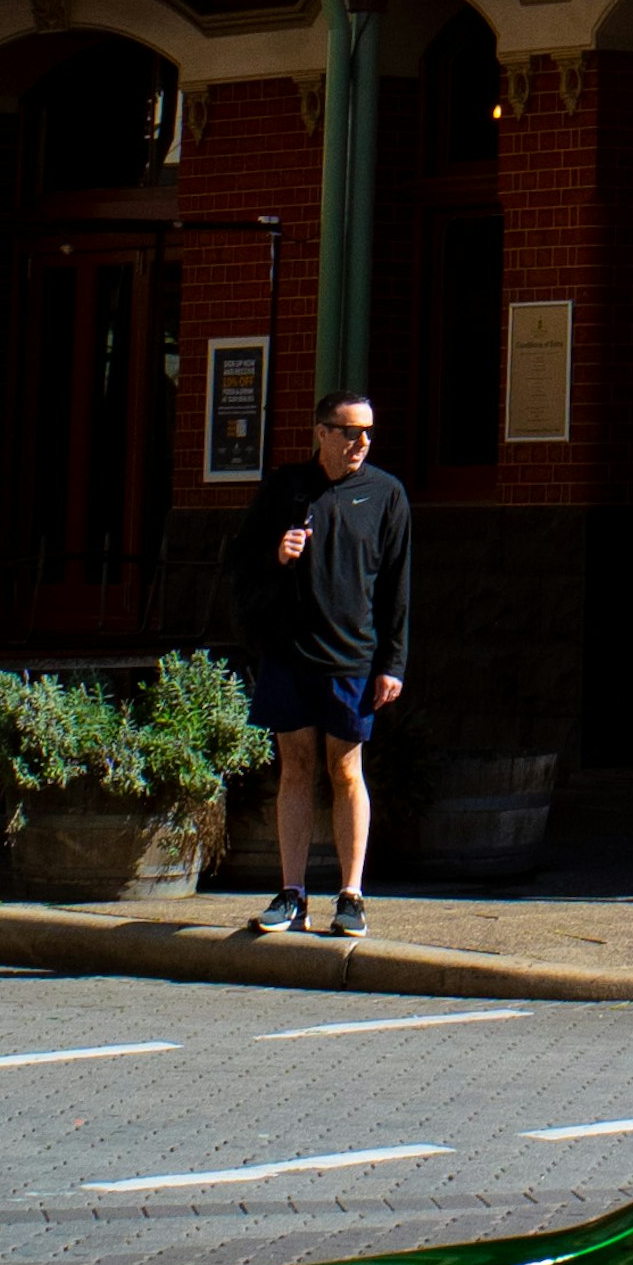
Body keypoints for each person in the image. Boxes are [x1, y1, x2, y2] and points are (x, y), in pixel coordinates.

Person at [230, 395, 412, 938]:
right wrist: (277, 554)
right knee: (296, 768)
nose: (361, 443)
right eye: (350, 432)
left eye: (369, 433)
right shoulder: (287, 488)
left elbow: (397, 587)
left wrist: (393, 663)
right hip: (289, 654)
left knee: (346, 770)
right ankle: (292, 894)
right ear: (322, 433)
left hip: (352, 657)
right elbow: (240, 562)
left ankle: (351, 896)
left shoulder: (386, 494)